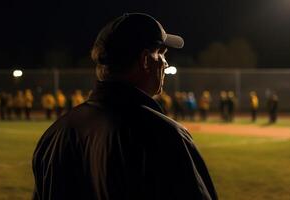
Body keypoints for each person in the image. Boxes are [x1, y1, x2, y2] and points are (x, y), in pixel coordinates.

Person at [32, 13, 218, 200]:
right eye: (161, 53)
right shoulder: (164, 135)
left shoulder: (54, 134)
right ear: (145, 60)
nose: (165, 62)